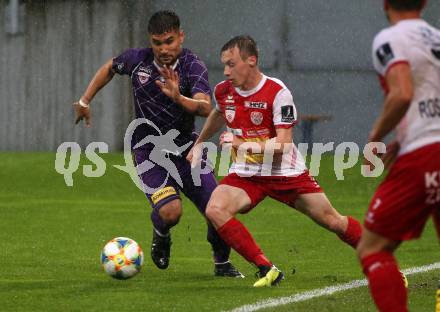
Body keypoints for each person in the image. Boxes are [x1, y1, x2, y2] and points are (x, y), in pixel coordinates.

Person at [73, 10, 243, 277]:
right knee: (171, 212)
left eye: (170, 41)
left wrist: (179, 98)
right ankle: (161, 232)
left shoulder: (191, 65)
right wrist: (85, 101)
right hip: (147, 151)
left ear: (181, 37)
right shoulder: (137, 60)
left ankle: (222, 264)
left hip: (187, 149)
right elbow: (109, 68)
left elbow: (204, 106)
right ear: (150, 41)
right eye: (157, 42)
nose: (164, 48)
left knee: (217, 209)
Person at [188, 35, 362, 287]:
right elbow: (219, 111)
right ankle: (266, 268)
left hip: (285, 173)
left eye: (231, 64)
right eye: (224, 64)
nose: (225, 71)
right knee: (215, 208)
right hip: (247, 172)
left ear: (251, 61)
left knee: (333, 221)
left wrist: (240, 144)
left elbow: (282, 145)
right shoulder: (223, 91)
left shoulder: (277, 93)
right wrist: (200, 142)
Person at [357, 0, 440, 311]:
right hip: (427, 144)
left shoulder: (390, 38)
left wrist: (375, 136)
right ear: (425, 2)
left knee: (373, 248)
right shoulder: (436, 36)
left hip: (425, 156)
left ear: (385, 4)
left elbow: (403, 92)